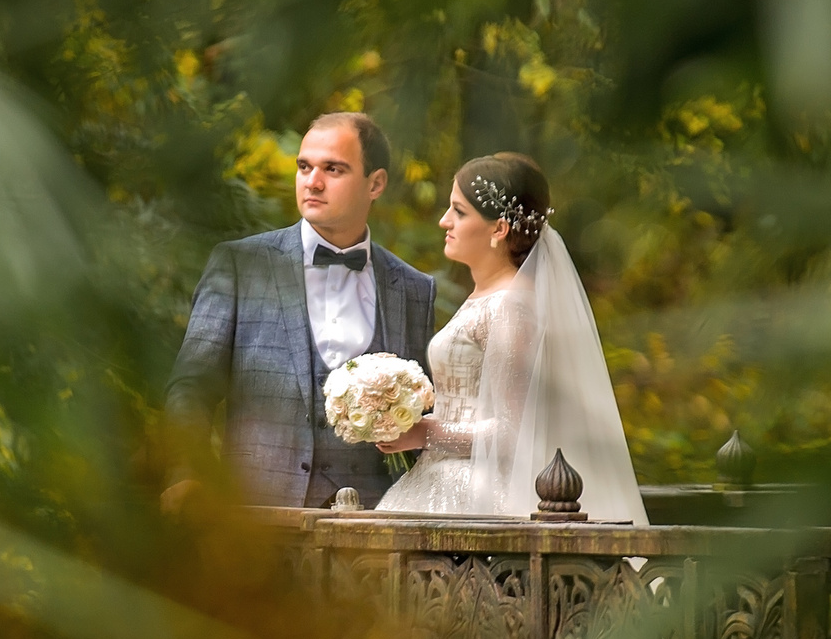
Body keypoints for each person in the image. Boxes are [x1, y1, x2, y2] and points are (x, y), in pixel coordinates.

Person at [165, 112, 438, 508]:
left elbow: (425, 415)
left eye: (334, 169)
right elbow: (190, 389)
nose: (313, 181)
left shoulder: (414, 289)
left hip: (376, 530)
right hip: (254, 523)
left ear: (375, 183)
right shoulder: (241, 265)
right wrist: (189, 474)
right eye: (304, 167)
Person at [373, 153, 646, 523]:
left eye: (459, 211)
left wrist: (425, 432)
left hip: (475, 492)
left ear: (499, 229)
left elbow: (512, 433)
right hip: (438, 477)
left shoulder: (511, 307)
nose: (444, 221)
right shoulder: (485, 298)